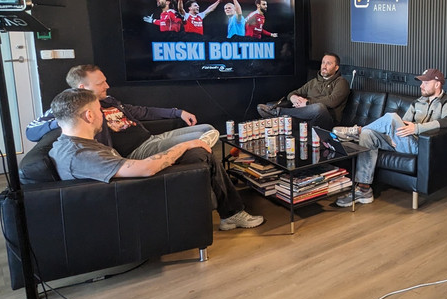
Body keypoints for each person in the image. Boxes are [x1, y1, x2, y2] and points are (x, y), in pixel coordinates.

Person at [48, 88, 264, 230]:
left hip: (130, 187)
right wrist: (185, 145)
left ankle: (229, 211)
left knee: (200, 152)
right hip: (137, 198)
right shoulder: (81, 155)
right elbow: (146, 169)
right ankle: (232, 211)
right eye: (99, 111)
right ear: (89, 116)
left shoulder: (71, 144)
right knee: (200, 152)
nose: (102, 115)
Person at [26, 65, 219, 154]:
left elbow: (142, 111)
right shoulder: (68, 108)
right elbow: (30, 131)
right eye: (101, 83)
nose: (107, 86)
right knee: (203, 137)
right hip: (138, 151)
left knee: (208, 129)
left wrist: (177, 112)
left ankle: (199, 149)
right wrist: (63, 120)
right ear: (82, 88)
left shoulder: (109, 100)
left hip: (151, 138)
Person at [334, 68, 447, 207]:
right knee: (368, 135)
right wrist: (393, 134)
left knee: (391, 117)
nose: (421, 86)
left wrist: (417, 128)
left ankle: (358, 130)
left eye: (425, 83)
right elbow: (404, 123)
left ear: (437, 84)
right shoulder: (418, 102)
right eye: (421, 83)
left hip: (420, 145)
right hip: (403, 141)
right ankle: (364, 190)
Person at [257, 53, 349, 129]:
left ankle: (278, 112)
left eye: (328, 63)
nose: (324, 66)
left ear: (336, 68)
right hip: (306, 119)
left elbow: (332, 101)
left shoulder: (341, 82)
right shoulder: (313, 82)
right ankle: (278, 118)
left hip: (327, 121)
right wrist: (294, 98)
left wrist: (307, 103)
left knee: (319, 108)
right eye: (323, 63)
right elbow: (292, 93)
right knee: (287, 119)